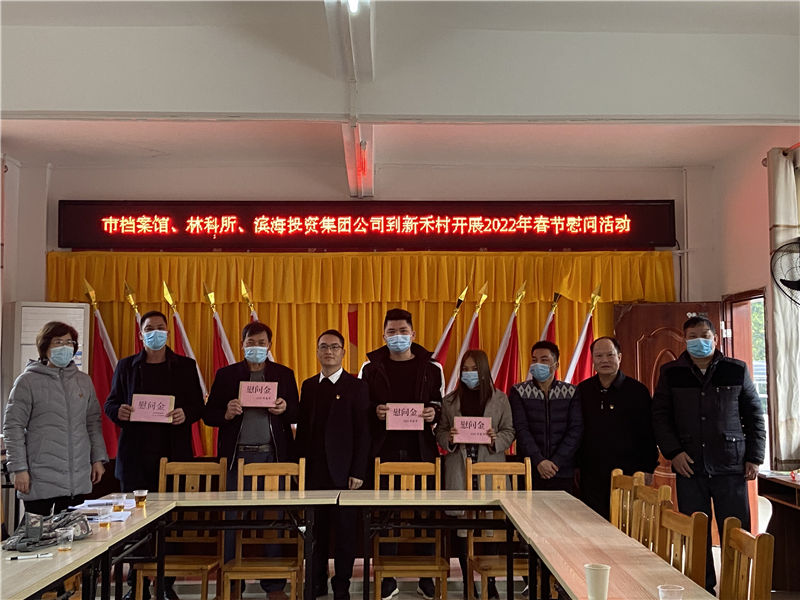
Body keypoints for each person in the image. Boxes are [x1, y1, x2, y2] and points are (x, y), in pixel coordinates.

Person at [652, 316, 766, 593]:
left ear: (715, 338)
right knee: (695, 532)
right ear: (684, 340)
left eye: (704, 335)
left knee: (736, 532)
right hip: (689, 465)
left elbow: (754, 415)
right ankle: (702, 589)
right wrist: (674, 453)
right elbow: (660, 417)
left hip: (731, 464)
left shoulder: (735, 369)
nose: (699, 341)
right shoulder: (671, 372)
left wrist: (755, 457)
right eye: (692, 336)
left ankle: (736, 589)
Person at [105, 310, 205, 600]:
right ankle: (136, 586)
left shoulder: (185, 366)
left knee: (169, 524)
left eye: (161, 327)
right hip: (135, 459)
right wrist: (119, 411)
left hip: (172, 458)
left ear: (168, 332)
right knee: (135, 524)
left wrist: (186, 414)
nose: (155, 332)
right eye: (150, 328)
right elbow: (110, 403)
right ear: (141, 334)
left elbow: (198, 406)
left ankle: (165, 584)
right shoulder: (126, 366)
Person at [204, 320, 299, 600]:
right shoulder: (226, 375)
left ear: (269, 346)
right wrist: (226, 413)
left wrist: (284, 408)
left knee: (273, 520)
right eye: (250, 342)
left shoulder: (283, 374)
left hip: (272, 457)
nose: (256, 347)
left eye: (261, 343)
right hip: (237, 458)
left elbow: (297, 412)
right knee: (231, 521)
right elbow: (209, 415)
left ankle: (274, 586)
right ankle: (232, 586)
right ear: (242, 345)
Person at [359, 308, 443, 600]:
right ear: (383, 335)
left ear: (413, 334)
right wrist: (375, 412)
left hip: (422, 451)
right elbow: (362, 408)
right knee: (385, 515)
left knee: (426, 514)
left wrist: (434, 413)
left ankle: (427, 576)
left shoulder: (431, 368)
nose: (398, 336)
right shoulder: (370, 368)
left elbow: (438, 403)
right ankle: (386, 576)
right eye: (392, 332)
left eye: (403, 331)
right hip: (384, 451)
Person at [295, 329, 370, 600]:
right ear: (317, 351)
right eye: (324, 347)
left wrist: (358, 471)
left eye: (334, 347)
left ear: (343, 352)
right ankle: (316, 582)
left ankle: (342, 584)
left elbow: (364, 433)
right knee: (316, 530)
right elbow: (303, 431)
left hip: (345, 473)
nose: (329, 351)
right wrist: (299, 468)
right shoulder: (308, 386)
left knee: (345, 532)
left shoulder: (357, 386)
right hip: (314, 471)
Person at [3, 321, 107, 516]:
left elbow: (93, 423)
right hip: (40, 478)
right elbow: (13, 426)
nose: (64, 347)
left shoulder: (83, 381)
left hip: (77, 479)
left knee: (74, 533)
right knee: (38, 534)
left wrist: (97, 459)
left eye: (69, 342)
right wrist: (19, 469)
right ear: (45, 346)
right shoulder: (27, 381)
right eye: (58, 342)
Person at [436, 350, 515, 600]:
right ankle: (468, 581)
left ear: (484, 370)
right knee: (462, 527)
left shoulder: (500, 399)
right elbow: (440, 431)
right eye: (465, 369)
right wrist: (448, 439)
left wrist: (495, 440)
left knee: (490, 527)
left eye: (474, 369)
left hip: (489, 467)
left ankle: (489, 584)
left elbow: (509, 431)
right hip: (459, 468)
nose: (469, 373)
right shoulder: (450, 401)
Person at [576, 336, 659, 519]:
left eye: (610, 355)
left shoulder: (637, 391)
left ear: (619, 357)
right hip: (591, 473)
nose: (604, 360)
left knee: (626, 523)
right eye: (599, 356)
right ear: (593, 360)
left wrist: (648, 468)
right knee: (592, 523)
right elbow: (576, 431)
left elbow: (648, 434)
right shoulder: (582, 390)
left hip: (629, 472)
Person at [508, 341, 582, 494]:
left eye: (544, 360)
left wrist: (556, 462)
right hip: (530, 469)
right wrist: (539, 461)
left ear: (556, 365)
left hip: (562, 470)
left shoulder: (571, 392)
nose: (538, 364)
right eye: (534, 360)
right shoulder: (519, 391)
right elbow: (521, 429)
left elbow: (575, 430)